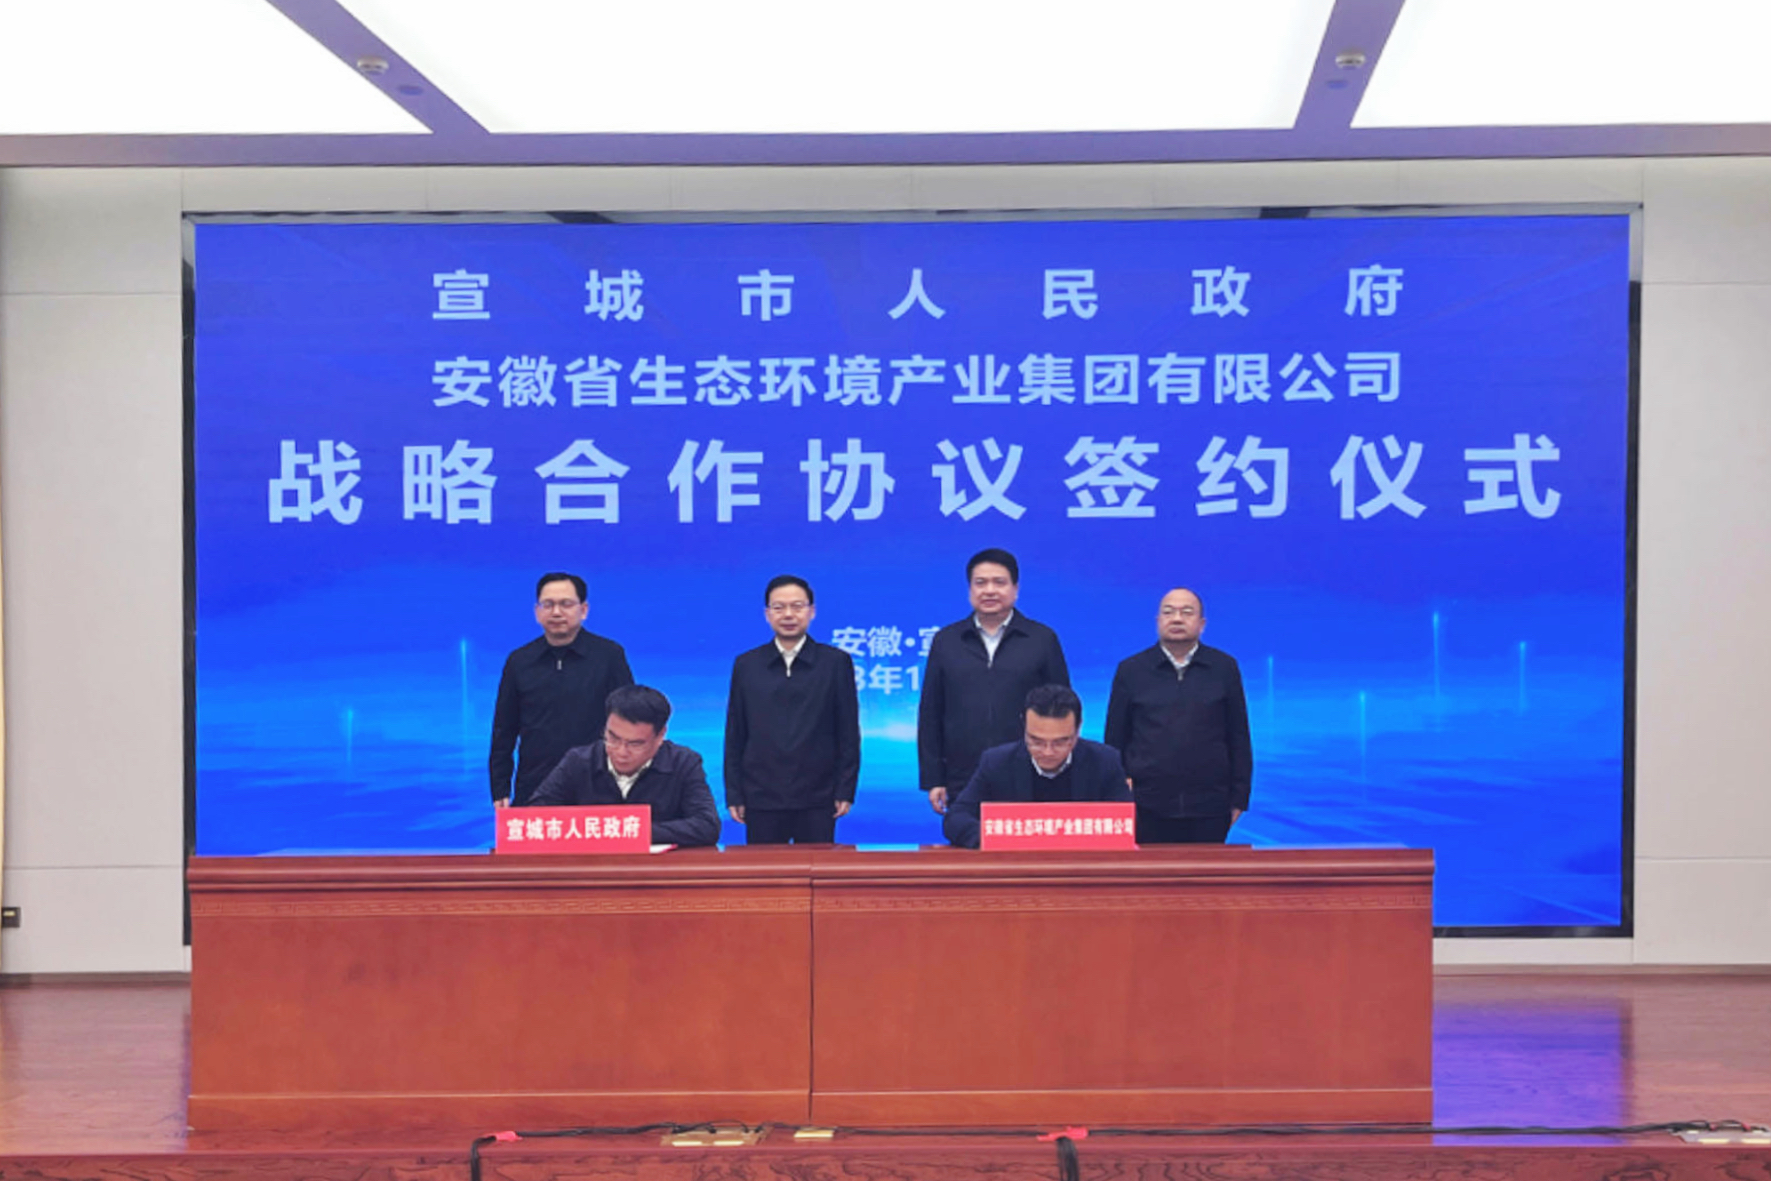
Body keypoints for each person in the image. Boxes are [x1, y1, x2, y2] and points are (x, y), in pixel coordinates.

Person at [917, 547, 1070, 816]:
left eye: (999, 582)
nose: (989, 591)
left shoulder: (1041, 639)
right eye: (981, 583)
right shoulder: (947, 641)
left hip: (1031, 772)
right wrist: (933, 778)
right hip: (964, 775)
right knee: (968, 840)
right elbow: (931, 712)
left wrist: (1060, 766)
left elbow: (1063, 709)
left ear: (1015, 589)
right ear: (970, 589)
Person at [1103, 587, 1252, 844]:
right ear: (1158, 621)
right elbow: (1115, 737)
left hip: (1210, 805)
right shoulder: (1131, 670)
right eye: (1169, 612)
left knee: (1204, 870)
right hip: (1147, 805)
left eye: (1187, 612)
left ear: (1202, 624)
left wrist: (1240, 798)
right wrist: (1119, 791)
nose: (1177, 618)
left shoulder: (1224, 668)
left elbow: (1238, 735)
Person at [724, 575, 861, 844]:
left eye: (797, 606)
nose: (788, 614)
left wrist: (845, 789)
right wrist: (735, 793)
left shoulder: (835, 663)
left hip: (818, 796)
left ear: (812, 611)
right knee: (765, 868)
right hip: (761, 797)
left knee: (817, 867)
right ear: (767, 614)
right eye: (779, 607)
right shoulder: (747, 665)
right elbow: (735, 732)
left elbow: (847, 731)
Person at [488, 572, 634, 808]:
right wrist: (499, 787)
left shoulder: (609, 656)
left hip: (599, 784)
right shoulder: (519, 661)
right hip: (535, 785)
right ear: (537, 612)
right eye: (548, 605)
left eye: (566, 604)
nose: (556, 612)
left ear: (583, 610)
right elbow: (504, 729)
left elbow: (630, 719)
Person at [529, 684, 721, 847]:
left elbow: (707, 826)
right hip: (590, 869)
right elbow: (534, 817)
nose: (621, 752)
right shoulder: (579, 761)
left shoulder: (683, 763)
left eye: (635, 744)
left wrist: (630, 831)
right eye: (613, 738)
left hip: (655, 872)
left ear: (660, 736)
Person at [944, 684, 1133, 849]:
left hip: (1082, 868)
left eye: (1060, 742)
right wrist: (999, 838)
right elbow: (956, 818)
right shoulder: (997, 762)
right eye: (1036, 741)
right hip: (1018, 868)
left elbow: (1127, 822)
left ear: (1078, 729)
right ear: (1024, 726)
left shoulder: (1104, 761)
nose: (1048, 752)